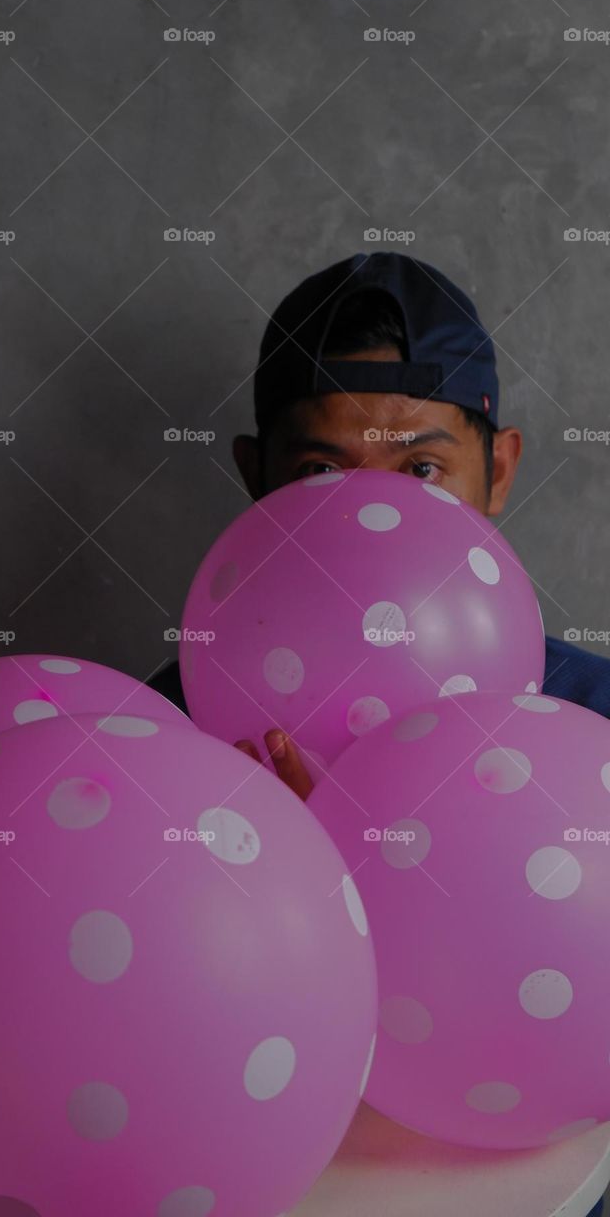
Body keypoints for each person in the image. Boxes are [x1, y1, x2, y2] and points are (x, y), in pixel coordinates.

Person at [152, 249, 608, 1214]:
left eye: (423, 469)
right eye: (321, 469)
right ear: (253, 478)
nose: (374, 512)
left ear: (500, 472)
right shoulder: (161, 740)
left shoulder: (594, 725)